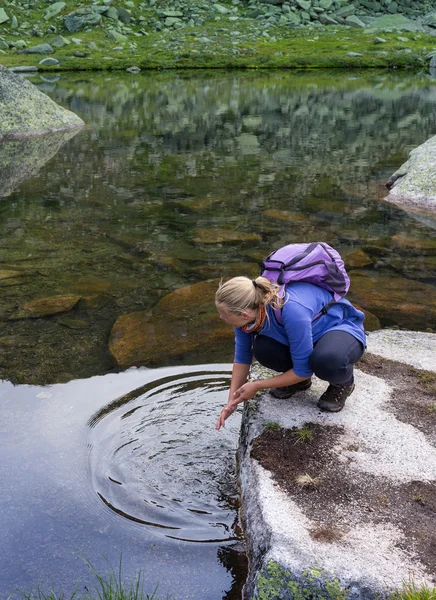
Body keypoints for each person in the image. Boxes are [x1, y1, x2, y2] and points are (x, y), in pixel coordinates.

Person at [215, 276, 366, 430]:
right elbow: (242, 359)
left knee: (328, 360)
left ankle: (342, 384)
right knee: (263, 349)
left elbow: (304, 371)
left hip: (338, 328)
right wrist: (231, 403)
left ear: (244, 315)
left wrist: (256, 385)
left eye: (224, 315)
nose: (221, 317)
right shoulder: (247, 318)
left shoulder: (292, 310)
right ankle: (296, 382)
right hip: (305, 334)